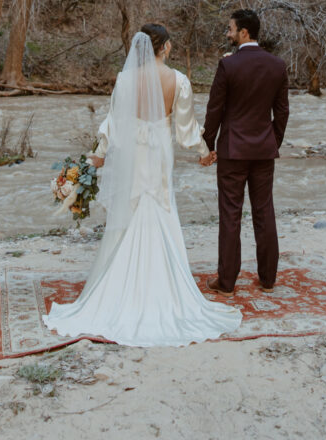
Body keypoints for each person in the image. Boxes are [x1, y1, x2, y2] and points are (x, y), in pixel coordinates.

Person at [43, 24, 241, 346]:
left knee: (130, 206)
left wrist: (99, 155)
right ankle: (164, 287)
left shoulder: (125, 80)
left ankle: (120, 287)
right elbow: (186, 128)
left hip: (133, 151)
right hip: (159, 149)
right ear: (164, 47)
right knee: (161, 203)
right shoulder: (178, 81)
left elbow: (113, 122)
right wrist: (205, 152)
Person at [202, 9, 289, 296]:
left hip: (232, 151)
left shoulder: (228, 66)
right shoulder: (277, 66)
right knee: (264, 212)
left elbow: (214, 110)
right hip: (264, 151)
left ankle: (226, 282)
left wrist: (209, 145)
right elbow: (282, 111)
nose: (227, 34)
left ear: (244, 33)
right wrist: (272, 141)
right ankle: (267, 279)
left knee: (230, 215)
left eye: (230, 29)